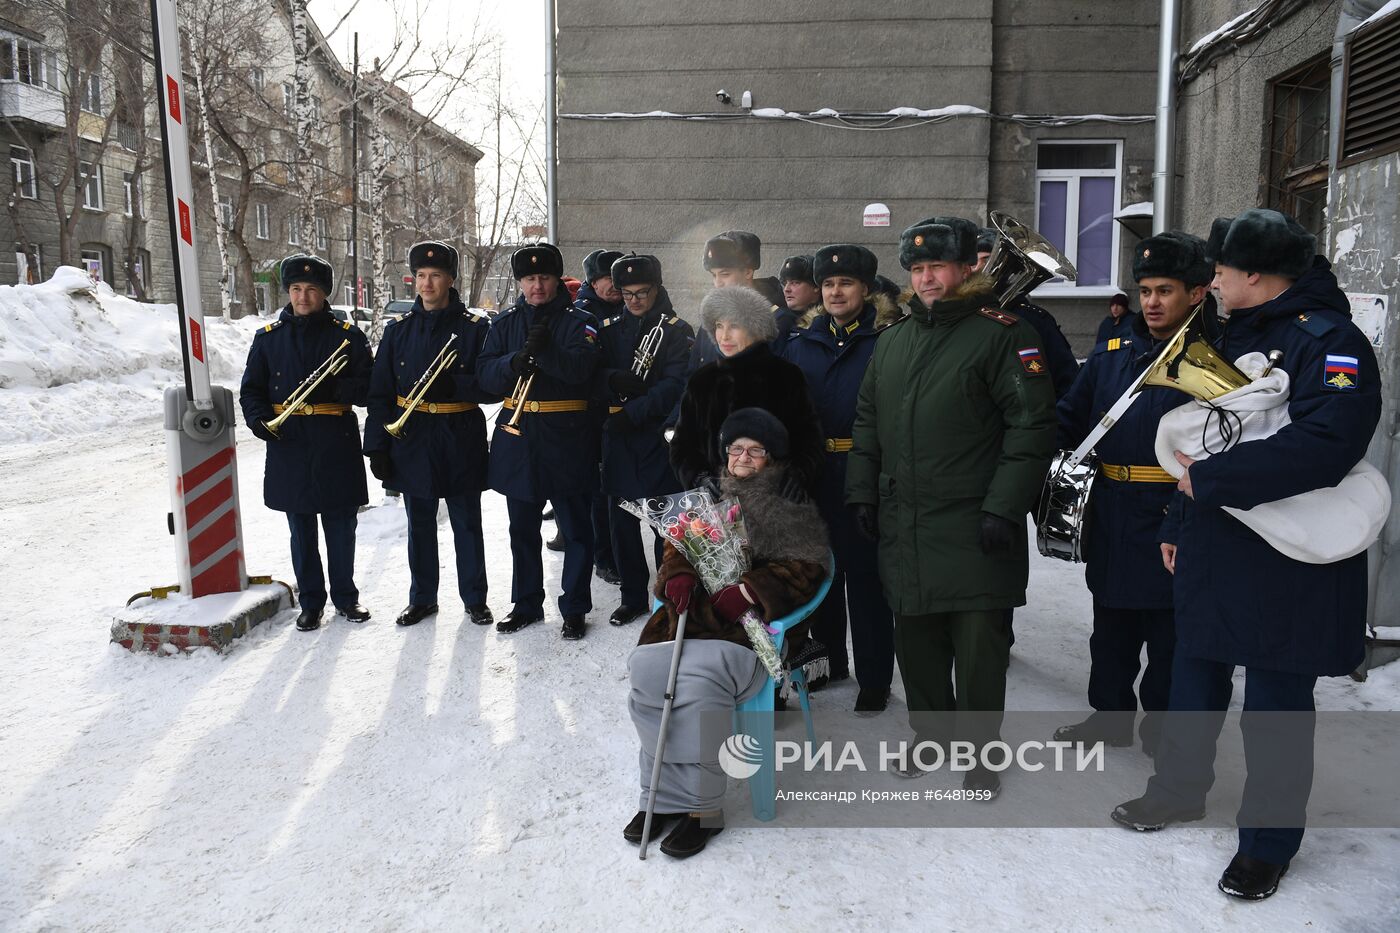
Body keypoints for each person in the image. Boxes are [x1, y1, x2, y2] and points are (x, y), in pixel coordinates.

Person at [1111, 209, 1381, 901]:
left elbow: (1331, 440)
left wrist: (1217, 480)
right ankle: (1176, 791)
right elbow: (1208, 435)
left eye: (1221, 272)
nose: (1214, 282)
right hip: (1216, 536)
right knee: (1192, 679)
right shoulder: (1231, 335)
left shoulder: (1331, 340)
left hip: (1286, 552)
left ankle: (1267, 843)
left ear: (1254, 275)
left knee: (1275, 702)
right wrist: (1178, 519)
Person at [846, 216, 1057, 797]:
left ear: (969, 268)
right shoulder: (891, 341)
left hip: (973, 521)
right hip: (905, 520)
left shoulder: (1004, 334)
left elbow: (1031, 426)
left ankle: (981, 751)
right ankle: (931, 734)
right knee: (915, 638)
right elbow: (867, 425)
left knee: (979, 643)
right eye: (916, 269)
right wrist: (862, 492)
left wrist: (1004, 508)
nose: (927, 279)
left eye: (937, 266)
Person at [626, 408, 829, 858]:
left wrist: (751, 590)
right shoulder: (705, 500)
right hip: (687, 622)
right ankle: (659, 795)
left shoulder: (789, 507)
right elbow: (676, 545)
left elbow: (808, 566)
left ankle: (702, 810)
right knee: (646, 673)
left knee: (696, 683)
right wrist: (677, 575)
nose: (743, 457)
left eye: (755, 451)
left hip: (746, 634)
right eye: (736, 448)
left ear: (771, 460)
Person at [1053, 232, 1215, 753]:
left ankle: (1161, 729)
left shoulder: (1214, 361)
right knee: (1111, 624)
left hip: (1177, 509)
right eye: (1145, 290)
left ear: (1197, 292)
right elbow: (1067, 419)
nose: (1151, 302)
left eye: (1164, 290)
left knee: (1168, 633)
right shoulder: (1113, 355)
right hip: (1113, 508)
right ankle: (1110, 715)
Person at [778, 244, 901, 713]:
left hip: (866, 473)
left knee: (868, 582)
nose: (835, 291)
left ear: (865, 289)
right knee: (822, 576)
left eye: (845, 283)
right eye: (828, 284)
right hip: (813, 476)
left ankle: (875, 679)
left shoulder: (888, 338)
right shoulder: (801, 343)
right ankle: (830, 662)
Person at [362, 241, 498, 628]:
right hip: (412, 437)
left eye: (435, 275)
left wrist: (457, 387)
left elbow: (492, 388)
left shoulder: (476, 329)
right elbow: (380, 393)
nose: (426, 283)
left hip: (459, 434)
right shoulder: (398, 331)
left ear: (450, 280)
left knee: (466, 524)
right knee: (419, 523)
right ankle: (422, 598)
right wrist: (377, 447)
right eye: (421, 276)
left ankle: (475, 599)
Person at [239, 254, 373, 632]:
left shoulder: (347, 336)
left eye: (311, 290)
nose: (302, 297)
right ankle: (311, 602)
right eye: (296, 289)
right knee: (301, 529)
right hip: (290, 443)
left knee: (341, 526)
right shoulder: (268, 340)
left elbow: (368, 390)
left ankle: (346, 598)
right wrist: (260, 421)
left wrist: (339, 386)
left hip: (335, 441)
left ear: (324, 293)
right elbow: (251, 391)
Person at [478, 243, 602, 641]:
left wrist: (547, 353)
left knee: (577, 530)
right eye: (529, 279)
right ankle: (526, 603)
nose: (537, 285)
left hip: (567, 439)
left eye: (544, 277)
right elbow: (484, 377)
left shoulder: (580, 321)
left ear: (555, 280)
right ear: (520, 282)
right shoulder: (505, 323)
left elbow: (584, 370)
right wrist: (512, 363)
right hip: (519, 441)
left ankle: (575, 607)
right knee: (522, 530)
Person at [596, 253, 694, 626]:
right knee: (621, 525)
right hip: (619, 442)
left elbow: (675, 385)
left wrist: (631, 413)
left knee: (663, 526)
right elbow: (593, 373)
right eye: (627, 293)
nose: (634, 300)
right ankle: (632, 596)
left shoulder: (676, 330)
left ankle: (667, 595)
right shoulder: (607, 329)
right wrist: (610, 382)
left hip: (656, 440)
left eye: (642, 292)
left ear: (657, 288)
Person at [670, 286, 824, 499]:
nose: (724, 336)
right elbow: (682, 445)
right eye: (718, 326)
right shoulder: (703, 380)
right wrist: (699, 478)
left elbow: (809, 440)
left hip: (774, 505)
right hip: (717, 508)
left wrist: (797, 475)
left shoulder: (786, 376)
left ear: (755, 328)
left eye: (734, 326)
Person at [556, 247, 627, 583]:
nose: (613, 284)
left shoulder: (629, 305)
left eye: (617, 277)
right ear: (592, 281)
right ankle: (604, 557)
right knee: (600, 491)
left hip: (627, 412)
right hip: (593, 414)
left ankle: (619, 553)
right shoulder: (583, 313)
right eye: (605, 278)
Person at [975, 225, 1079, 400]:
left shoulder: (1034, 320)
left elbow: (1067, 383)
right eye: (972, 262)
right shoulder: (963, 314)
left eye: (986, 259)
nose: (977, 268)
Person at [685, 231, 793, 370]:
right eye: (713, 275)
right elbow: (692, 373)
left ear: (748, 272)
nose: (717, 283)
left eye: (725, 274)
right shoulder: (711, 317)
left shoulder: (779, 320)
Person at [778, 254, 821, 325]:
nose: (786, 289)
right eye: (785, 283)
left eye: (795, 283)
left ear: (816, 286)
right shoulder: (777, 319)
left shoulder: (832, 321)